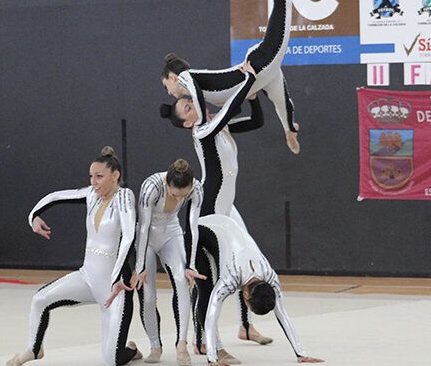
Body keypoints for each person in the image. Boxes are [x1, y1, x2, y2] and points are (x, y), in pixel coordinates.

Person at [160, 0, 300, 154]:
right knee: (282, 104)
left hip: (259, 64)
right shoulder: (208, 102)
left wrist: (204, 120)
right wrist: (248, 98)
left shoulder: (187, 78)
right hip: (261, 75)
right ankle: (289, 129)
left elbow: (196, 95)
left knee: (283, 3)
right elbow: (241, 113)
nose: (169, 92)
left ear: (174, 77)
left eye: (167, 86)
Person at [160, 85, 271, 353]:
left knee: (249, 264)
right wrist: (248, 83)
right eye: (188, 107)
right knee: (207, 276)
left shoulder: (220, 124)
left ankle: (245, 326)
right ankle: (200, 337)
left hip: (227, 206)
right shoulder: (203, 131)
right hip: (210, 208)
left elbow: (256, 121)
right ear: (188, 123)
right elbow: (231, 106)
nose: (194, 106)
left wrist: (254, 98)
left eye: (191, 102)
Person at [6, 147, 142, 366]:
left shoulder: (124, 197)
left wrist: (117, 277)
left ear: (115, 175)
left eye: (99, 176)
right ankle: (34, 349)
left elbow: (128, 237)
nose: (94, 181)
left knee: (110, 361)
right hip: (87, 278)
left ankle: (131, 350)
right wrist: (33, 217)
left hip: (115, 290)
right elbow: (55, 196)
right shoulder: (90, 195)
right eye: (91, 176)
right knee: (40, 299)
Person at [194, 214, 324, 366]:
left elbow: (283, 316)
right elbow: (211, 316)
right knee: (206, 291)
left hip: (225, 230)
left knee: (211, 283)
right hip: (198, 231)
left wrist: (300, 353)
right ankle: (209, 348)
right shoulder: (230, 278)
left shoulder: (271, 278)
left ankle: (205, 344)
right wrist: (212, 360)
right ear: (247, 294)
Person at [131, 159, 205, 365]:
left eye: (184, 195)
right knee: (148, 295)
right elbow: (144, 227)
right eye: (174, 194)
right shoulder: (151, 186)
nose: (179, 198)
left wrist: (190, 264)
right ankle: (155, 345)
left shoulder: (196, 188)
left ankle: (182, 344)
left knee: (182, 284)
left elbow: (192, 226)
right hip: (147, 237)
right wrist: (140, 267)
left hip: (172, 232)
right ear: (167, 185)